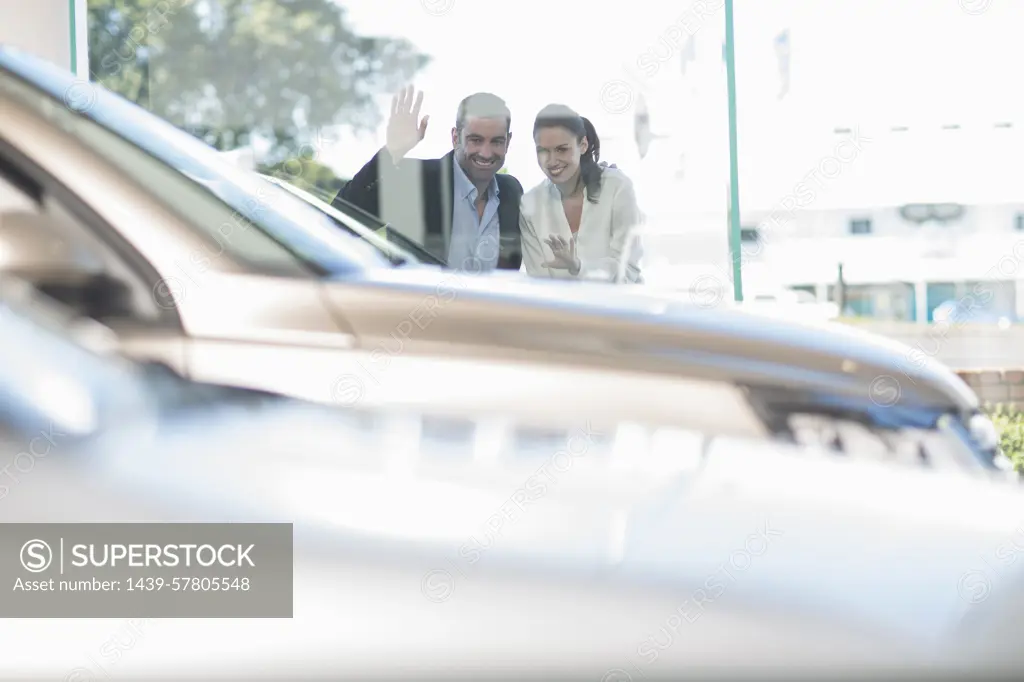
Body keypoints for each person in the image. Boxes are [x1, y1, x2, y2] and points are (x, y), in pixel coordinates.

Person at [335, 86, 524, 272]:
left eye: (496, 142)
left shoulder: (511, 191)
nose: (486, 152)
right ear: (455, 137)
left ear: (508, 142)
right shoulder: (415, 181)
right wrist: (392, 153)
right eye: (475, 140)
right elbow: (337, 225)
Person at [518, 104, 643, 283]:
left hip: (619, 308)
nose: (552, 161)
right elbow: (540, 285)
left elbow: (628, 271)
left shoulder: (617, 187)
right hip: (558, 310)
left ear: (583, 145)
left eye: (562, 149)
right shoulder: (530, 204)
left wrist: (579, 267)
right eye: (543, 150)